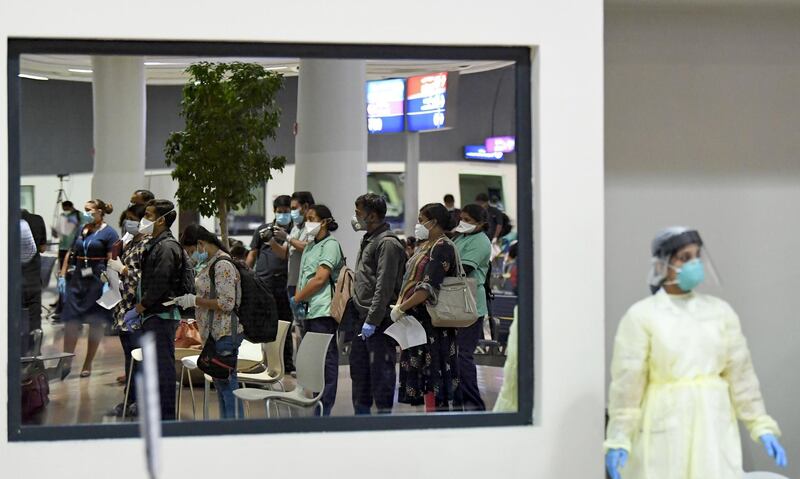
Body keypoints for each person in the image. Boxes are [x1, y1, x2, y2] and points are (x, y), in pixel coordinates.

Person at [605, 227, 788, 479]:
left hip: (713, 426)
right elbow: (627, 387)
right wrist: (619, 438)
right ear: (661, 265)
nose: (694, 264)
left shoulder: (719, 313)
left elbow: (741, 377)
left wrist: (760, 424)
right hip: (665, 428)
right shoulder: (642, 316)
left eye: (697, 256)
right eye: (684, 258)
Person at [393, 203, 460, 411]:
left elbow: (427, 288)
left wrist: (402, 307)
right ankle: (428, 417)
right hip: (420, 322)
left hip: (432, 324)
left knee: (433, 374)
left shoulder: (442, 247)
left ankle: (436, 421)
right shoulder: (426, 245)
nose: (418, 224)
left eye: (422, 220)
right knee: (424, 375)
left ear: (435, 222)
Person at [176, 225, 244, 419]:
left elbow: (227, 303)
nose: (191, 255)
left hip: (225, 333)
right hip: (214, 334)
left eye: (191, 251)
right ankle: (227, 426)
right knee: (221, 384)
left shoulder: (222, 265)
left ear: (201, 244)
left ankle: (236, 430)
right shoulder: (210, 264)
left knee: (227, 384)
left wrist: (194, 300)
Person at [350, 193, 406, 415]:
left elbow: (384, 286)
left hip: (379, 321)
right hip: (361, 317)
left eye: (358, 212)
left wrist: (372, 320)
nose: (355, 217)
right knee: (360, 372)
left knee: (381, 373)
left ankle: (383, 420)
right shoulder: (370, 239)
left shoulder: (388, 243)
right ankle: (361, 418)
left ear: (372, 215)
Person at [133, 199, 183, 420]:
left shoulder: (167, 247)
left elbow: (161, 282)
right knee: (156, 366)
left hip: (161, 316)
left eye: (150, 216)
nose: (145, 220)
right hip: (152, 315)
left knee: (163, 368)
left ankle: (167, 417)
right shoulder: (155, 243)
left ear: (162, 220)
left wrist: (142, 305)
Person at [58, 199, 119, 379]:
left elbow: (112, 259)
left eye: (89, 210)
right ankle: (66, 360)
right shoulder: (82, 229)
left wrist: (109, 282)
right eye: (84, 210)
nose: (86, 213)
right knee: (71, 321)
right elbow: (71, 251)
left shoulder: (110, 233)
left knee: (95, 321)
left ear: (100, 211)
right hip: (78, 278)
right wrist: (62, 274)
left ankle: (88, 363)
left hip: (97, 279)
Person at [292, 204, 343, 415]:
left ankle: (325, 407)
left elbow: (320, 279)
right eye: (307, 219)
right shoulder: (311, 245)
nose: (308, 223)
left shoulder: (330, 245)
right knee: (314, 361)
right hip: (309, 311)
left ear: (324, 222)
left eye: (312, 218)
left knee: (326, 360)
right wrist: (298, 300)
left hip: (323, 310)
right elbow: (303, 276)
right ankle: (316, 402)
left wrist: (297, 297)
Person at [104, 203, 150, 416]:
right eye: (126, 219)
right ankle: (130, 399)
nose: (127, 224)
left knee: (139, 360)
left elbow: (147, 280)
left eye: (132, 219)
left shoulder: (148, 246)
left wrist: (122, 269)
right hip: (122, 310)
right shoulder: (129, 243)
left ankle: (140, 401)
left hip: (137, 311)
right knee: (129, 359)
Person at [247, 194, 296, 374]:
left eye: (286, 211)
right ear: (274, 211)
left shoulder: (293, 232)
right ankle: (261, 362)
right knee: (263, 323)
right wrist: (247, 272)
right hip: (263, 283)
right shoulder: (263, 229)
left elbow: (285, 255)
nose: (283, 214)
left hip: (284, 284)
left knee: (285, 324)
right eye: (280, 211)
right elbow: (253, 253)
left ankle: (287, 364)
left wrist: (276, 240)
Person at [451, 204, 492, 411]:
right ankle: (458, 401)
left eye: (468, 219)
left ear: (481, 223)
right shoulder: (462, 238)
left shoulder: (481, 242)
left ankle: (474, 403)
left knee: (463, 355)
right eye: (462, 218)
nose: (463, 222)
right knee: (455, 355)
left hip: (471, 305)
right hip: (455, 303)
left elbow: (464, 268)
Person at [52, 201, 82, 316]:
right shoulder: (63, 216)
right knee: (62, 275)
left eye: (66, 208)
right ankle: (61, 300)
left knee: (72, 275)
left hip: (73, 249)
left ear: (70, 206)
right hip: (63, 247)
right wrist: (55, 232)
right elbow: (58, 233)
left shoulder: (79, 216)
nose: (65, 210)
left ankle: (70, 301)